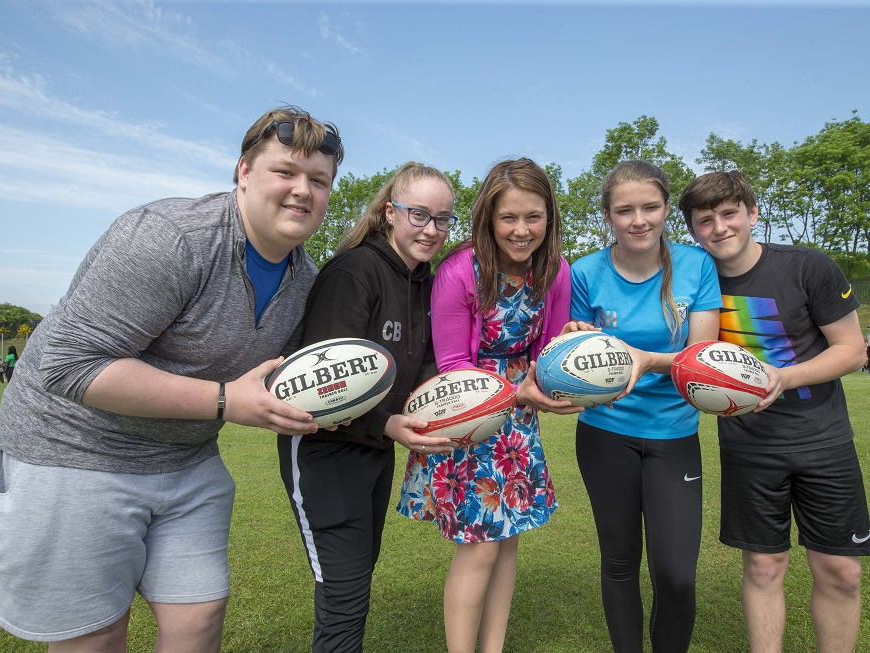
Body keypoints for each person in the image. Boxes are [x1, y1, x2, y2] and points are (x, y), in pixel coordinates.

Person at [0, 105, 344, 651]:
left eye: (318, 180)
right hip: (72, 450)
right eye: (285, 172)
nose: (302, 191)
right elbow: (69, 364)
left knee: (198, 618)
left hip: (184, 461)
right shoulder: (170, 238)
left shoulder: (304, 278)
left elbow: (297, 376)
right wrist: (226, 401)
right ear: (243, 171)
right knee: (97, 635)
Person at [679, 170, 870, 653]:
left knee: (842, 571)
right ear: (692, 230)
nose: (719, 228)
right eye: (705, 220)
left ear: (752, 213)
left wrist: (784, 377)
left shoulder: (809, 267)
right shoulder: (693, 281)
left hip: (823, 441)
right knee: (764, 567)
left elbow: (851, 350)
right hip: (749, 445)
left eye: (729, 214)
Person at [398, 158, 583, 653]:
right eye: (509, 218)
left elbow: (546, 355)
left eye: (534, 217)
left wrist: (572, 349)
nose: (522, 231)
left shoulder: (556, 270)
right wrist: (513, 390)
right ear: (488, 218)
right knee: (479, 547)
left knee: (506, 543)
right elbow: (454, 363)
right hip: (469, 411)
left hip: (518, 420)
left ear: (549, 218)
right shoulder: (460, 270)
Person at [278, 162, 457, 653]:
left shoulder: (425, 280)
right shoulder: (354, 271)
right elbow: (320, 387)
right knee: (344, 597)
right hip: (323, 451)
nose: (431, 230)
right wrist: (389, 422)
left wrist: (437, 405)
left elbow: (423, 361)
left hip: (376, 448)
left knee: (355, 581)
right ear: (388, 213)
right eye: (419, 214)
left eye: (442, 219)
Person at [570, 160, 722, 652]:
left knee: (675, 574)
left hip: (674, 435)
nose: (639, 220)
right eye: (625, 210)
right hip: (605, 434)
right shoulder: (585, 272)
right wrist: (571, 343)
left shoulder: (697, 265)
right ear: (608, 217)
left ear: (664, 210)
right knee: (619, 563)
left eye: (650, 207)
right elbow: (571, 359)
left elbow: (700, 360)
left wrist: (645, 359)